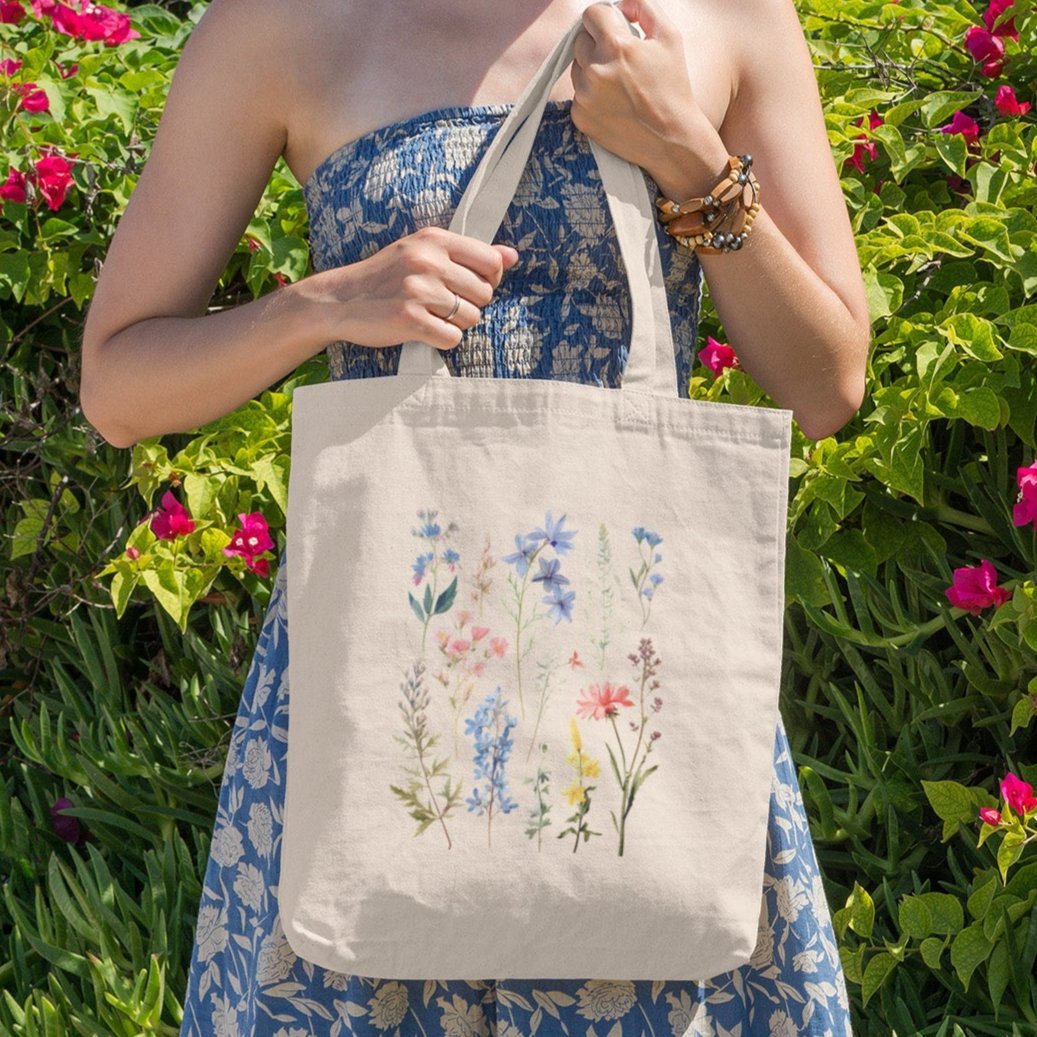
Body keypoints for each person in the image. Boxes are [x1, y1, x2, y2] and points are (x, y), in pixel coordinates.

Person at [80, 0, 870, 1032]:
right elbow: (118, 385)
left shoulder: (722, 18)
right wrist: (326, 304)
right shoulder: (281, 25)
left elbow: (826, 386)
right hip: (384, 684)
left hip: (629, 691)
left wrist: (689, 157)